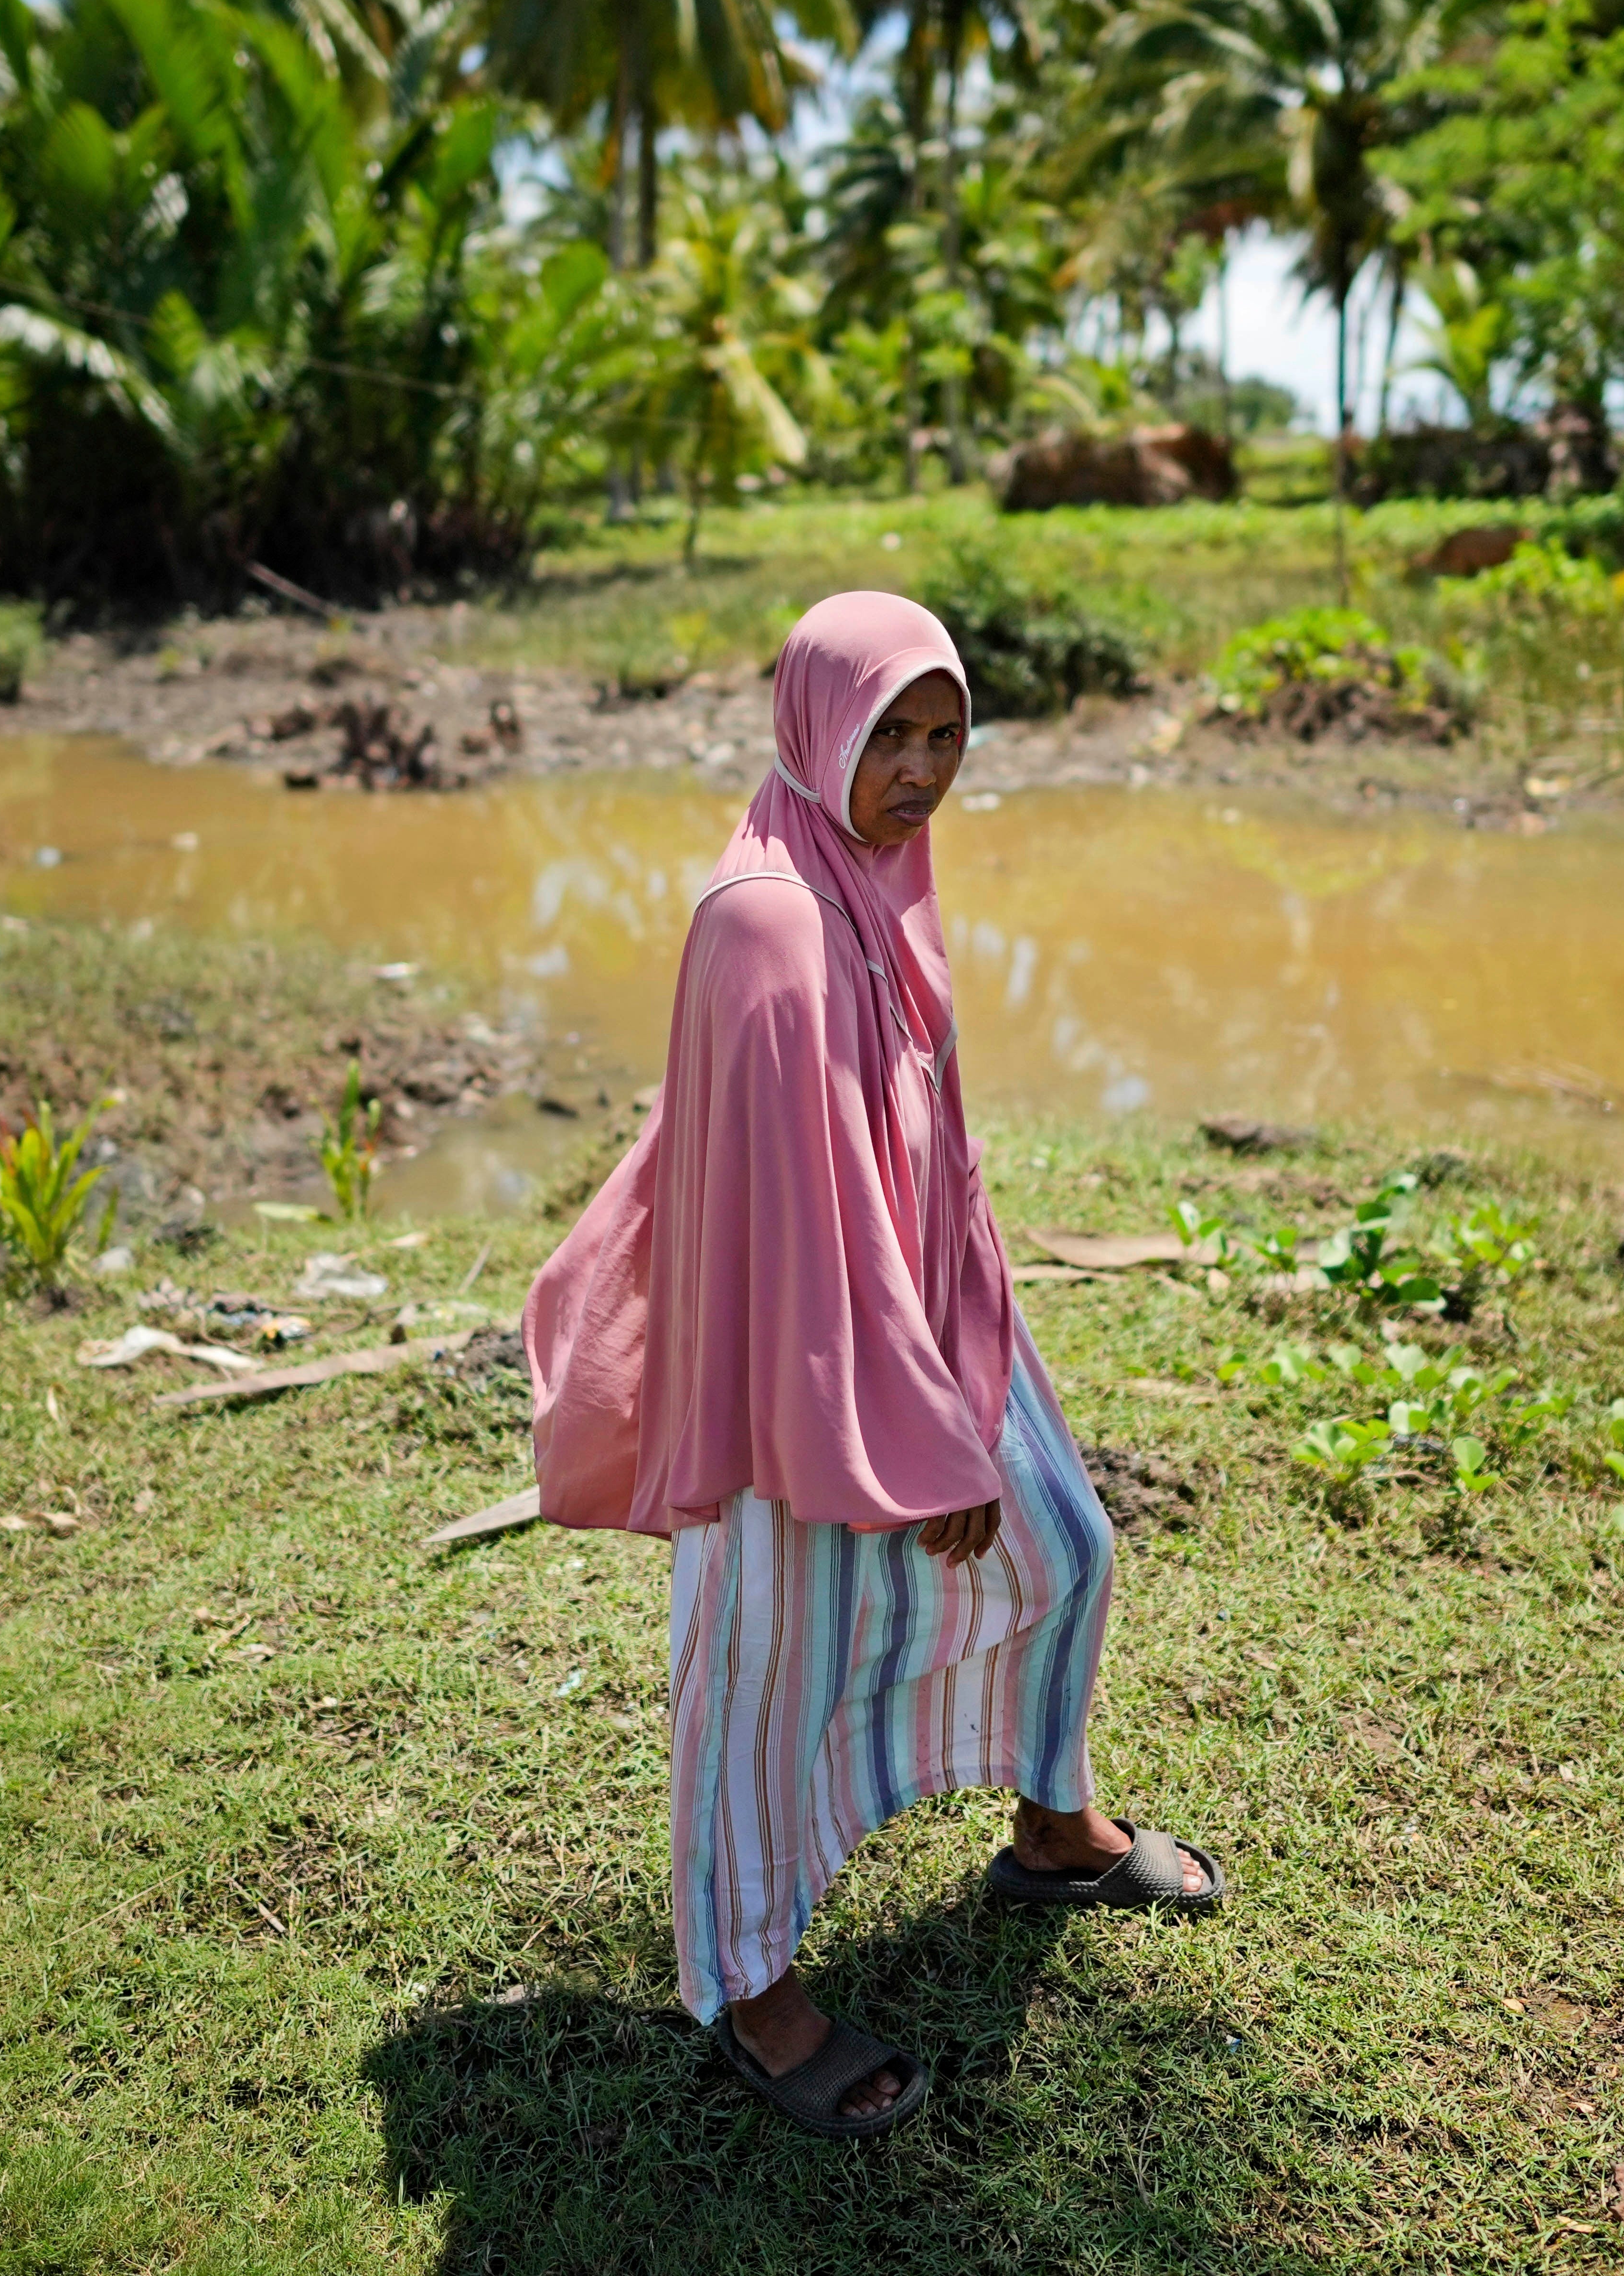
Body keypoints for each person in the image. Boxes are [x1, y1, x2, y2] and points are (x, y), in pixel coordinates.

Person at [523, 589, 1224, 2141]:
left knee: (1067, 1549)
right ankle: (754, 1990)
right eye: (888, 734)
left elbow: (925, 1142)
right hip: (792, 1369)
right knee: (767, 1670)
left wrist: (972, 1342)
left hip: (920, 1316)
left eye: (945, 734)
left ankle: (1052, 1828)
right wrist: (921, 1437)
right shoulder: (767, 918)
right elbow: (802, 1221)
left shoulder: (877, 869)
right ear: (816, 727)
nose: (919, 769)